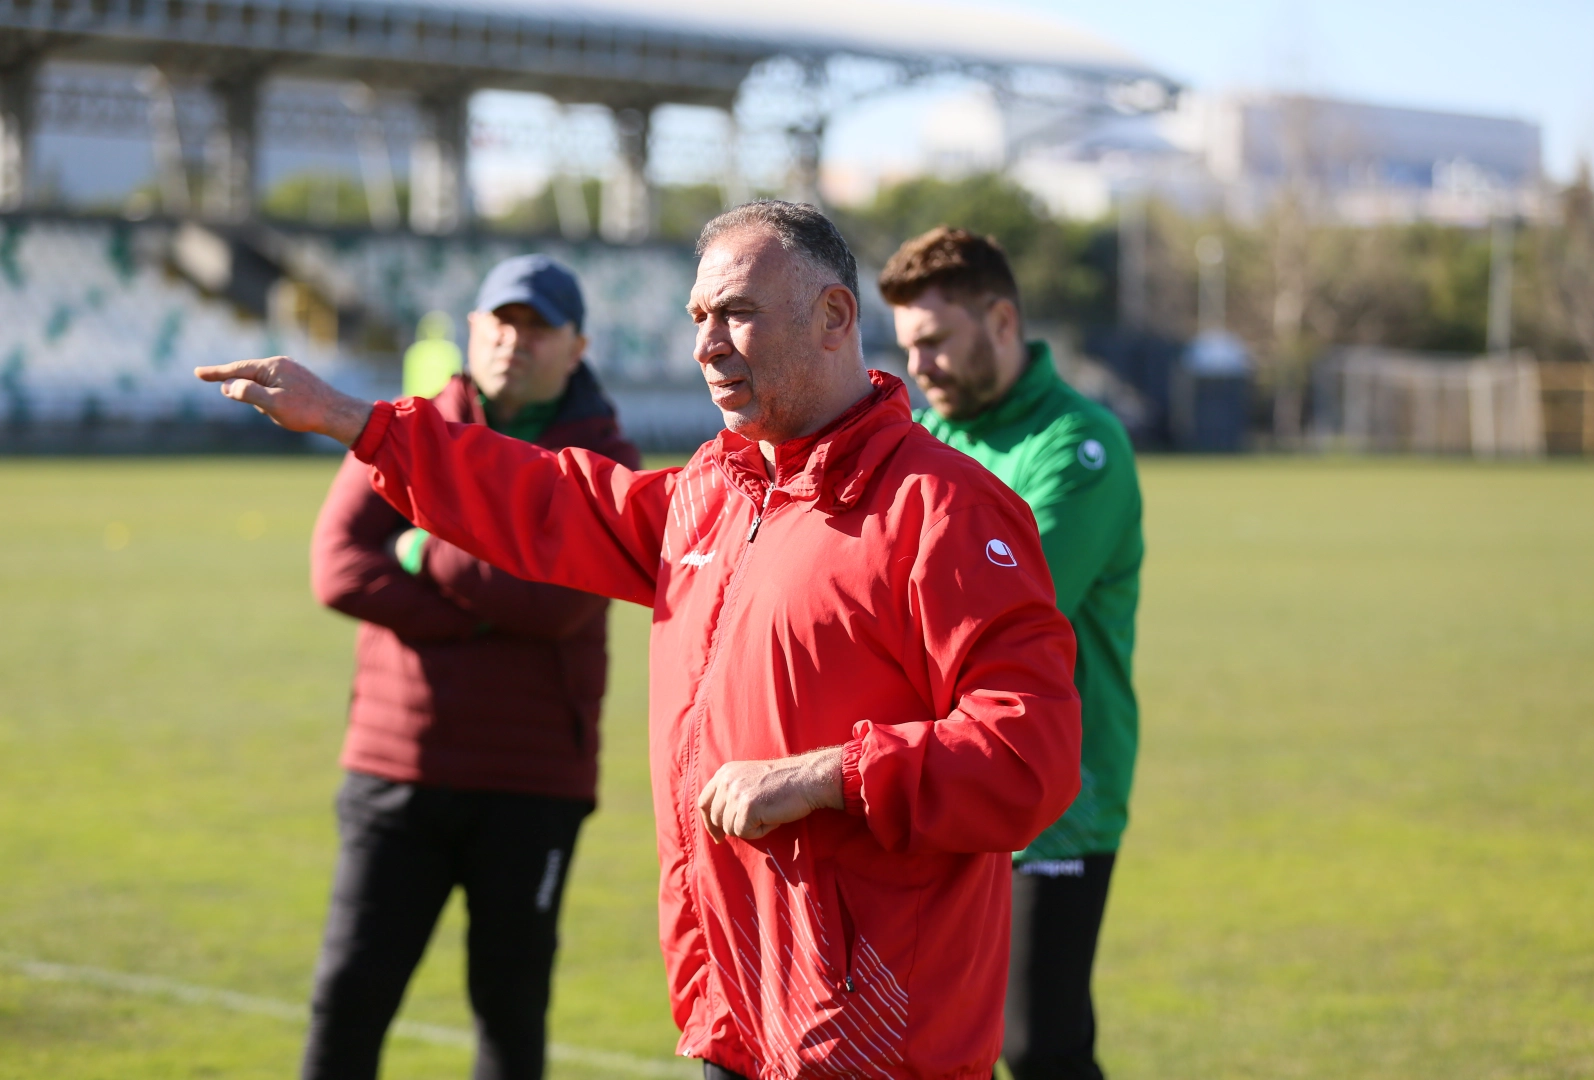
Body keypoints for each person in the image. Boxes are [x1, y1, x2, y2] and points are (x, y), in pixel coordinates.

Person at [197, 201, 1081, 1080]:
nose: (706, 346)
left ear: (834, 317)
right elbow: (550, 500)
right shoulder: (714, 490)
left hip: (877, 1037)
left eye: (737, 313)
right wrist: (363, 425)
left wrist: (824, 777)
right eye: (698, 318)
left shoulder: (944, 508)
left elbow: (1029, 754)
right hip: (736, 1010)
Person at [301, 254, 640, 1080]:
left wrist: (422, 541)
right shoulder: (408, 427)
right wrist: (487, 604)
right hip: (397, 762)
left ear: (577, 345)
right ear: (472, 330)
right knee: (349, 997)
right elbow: (338, 567)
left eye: (537, 326)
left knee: (510, 1011)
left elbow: (561, 600)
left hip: (531, 780)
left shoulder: (604, 454)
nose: (513, 340)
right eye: (500, 321)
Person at [879, 228, 1143, 1080]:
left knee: (1040, 1049)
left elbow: (999, 618)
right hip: (941, 787)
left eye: (934, 342)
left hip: (1056, 800)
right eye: (907, 348)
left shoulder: (1079, 446)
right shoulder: (930, 442)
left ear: (1000, 319)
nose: (919, 367)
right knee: (942, 1044)